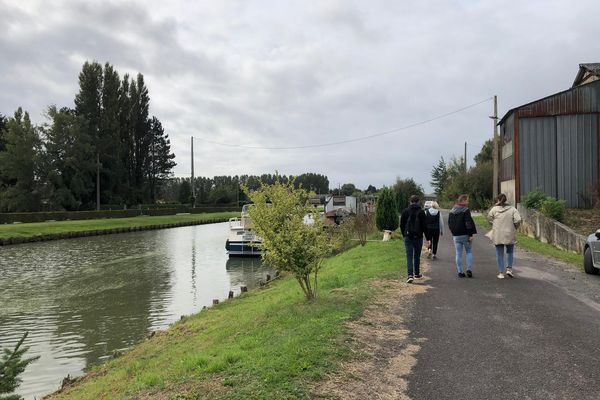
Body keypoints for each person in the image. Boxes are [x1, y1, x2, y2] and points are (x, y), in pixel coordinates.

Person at [487, 193, 522, 279]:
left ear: (498, 200)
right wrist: (515, 227)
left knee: (499, 253)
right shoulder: (513, 209)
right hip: (509, 233)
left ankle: (500, 273)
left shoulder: (494, 209)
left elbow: (489, 218)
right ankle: (509, 269)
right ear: (506, 200)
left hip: (498, 234)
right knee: (509, 252)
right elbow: (518, 220)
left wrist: (493, 223)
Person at [448, 194, 477, 278]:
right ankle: (469, 270)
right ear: (463, 201)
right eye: (467, 200)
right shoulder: (466, 210)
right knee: (469, 252)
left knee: (458, 253)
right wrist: (470, 234)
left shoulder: (452, 211)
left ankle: (460, 272)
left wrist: (453, 232)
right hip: (465, 235)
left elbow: (450, 224)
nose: (468, 202)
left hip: (456, 235)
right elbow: (468, 223)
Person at [400, 195, 427, 283]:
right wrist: (428, 238)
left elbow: (402, 225)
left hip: (408, 236)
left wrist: (404, 235)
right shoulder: (422, 212)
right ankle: (417, 273)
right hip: (418, 237)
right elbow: (424, 226)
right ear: (418, 201)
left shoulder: (405, 211)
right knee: (417, 256)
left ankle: (410, 275)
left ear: (410, 202)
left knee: (409, 256)